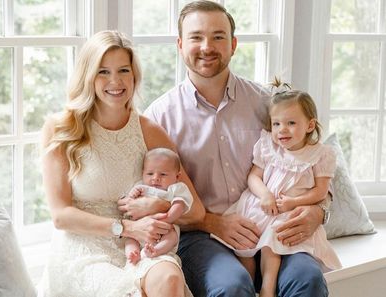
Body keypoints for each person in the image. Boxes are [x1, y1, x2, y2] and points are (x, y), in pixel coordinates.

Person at [141, 1, 332, 296]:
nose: (207, 46)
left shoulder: (268, 103)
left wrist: (319, 212)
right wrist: (212, 222)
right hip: (203, 238)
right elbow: (153, 195)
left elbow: (316, 165)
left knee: (308, 279)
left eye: (218, 36)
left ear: (233, 44)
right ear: (180, 45)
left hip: (273, 225)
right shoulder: (158, 117)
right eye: (196, 37)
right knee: (231, 287)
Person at [40, 30, 204, 297]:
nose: (115, 81)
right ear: (88, 76)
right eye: (103, 72)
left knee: (169, 279)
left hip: (143, 242)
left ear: (134, 76)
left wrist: (160, 205)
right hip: (86, 246)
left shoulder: (150, 131)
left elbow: (196, 211)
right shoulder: (61, 129)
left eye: (123, 70)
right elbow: (60, 216)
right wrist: (127, 227)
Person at [211, 79, 342, 297]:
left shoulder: (320, 154)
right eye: (276, 124)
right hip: (262, 205)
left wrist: (293, 202)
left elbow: (321, 192)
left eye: (291, 123)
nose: (282, 130)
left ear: (310, 125)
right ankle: (249, 280)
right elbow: (254, 176)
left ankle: (267, 289)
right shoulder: (269, 147)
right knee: (244, 243)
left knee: (273, 242)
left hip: (288, 211)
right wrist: (265, 195)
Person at [124, 147, 193, 264]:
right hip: (139, 227)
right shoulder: (141, 186)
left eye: (163, 174)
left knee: (172, 236)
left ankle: (155, 251)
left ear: (177, 176)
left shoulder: (176, 188)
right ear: (143, 173)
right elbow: (129, 203)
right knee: (130, 239)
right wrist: (132, 195)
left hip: (164, 227)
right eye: (150, 173)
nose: (155, 178)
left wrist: (167, 218)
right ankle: (133, 254)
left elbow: (180, 204)